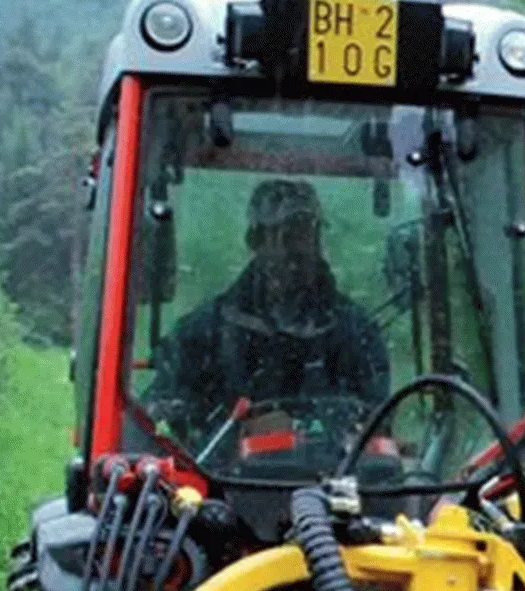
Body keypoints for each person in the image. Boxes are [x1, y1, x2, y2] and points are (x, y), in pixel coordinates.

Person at [149, 179, 391, 453]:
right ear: (255, 241)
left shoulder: (356, 333)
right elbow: (160, 421)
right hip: (219, 477)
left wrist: (322, 430)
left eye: (306, 234)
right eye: (286, 235)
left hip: (339, 477)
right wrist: (237, 435)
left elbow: (377, 421)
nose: (298, 250)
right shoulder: (203, 334)